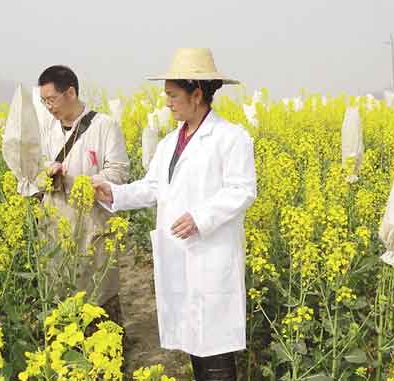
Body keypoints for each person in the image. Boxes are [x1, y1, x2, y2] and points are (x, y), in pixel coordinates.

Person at [93, 48, 257, 381]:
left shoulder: (231, 137)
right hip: (181, 257)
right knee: (195, 343)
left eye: (172, 95)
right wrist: (115, 194)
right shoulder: (169, 142)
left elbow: (242, 190)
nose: (166, 102)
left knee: (215, 347)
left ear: (197, 95)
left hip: (210, 255)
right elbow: (154, 187)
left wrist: (201, 217)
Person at [35, 65, 130, 324]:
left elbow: (119, 173)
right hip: (56, 229)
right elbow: (31, 172)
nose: (48, 107)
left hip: (93, 228)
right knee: (62, 298)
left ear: (71, 93)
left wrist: (79, 182)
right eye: (44, 102)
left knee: (99, 298)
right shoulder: (45, 131)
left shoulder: (105, 126)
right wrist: (46, 172)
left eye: (51, 100)